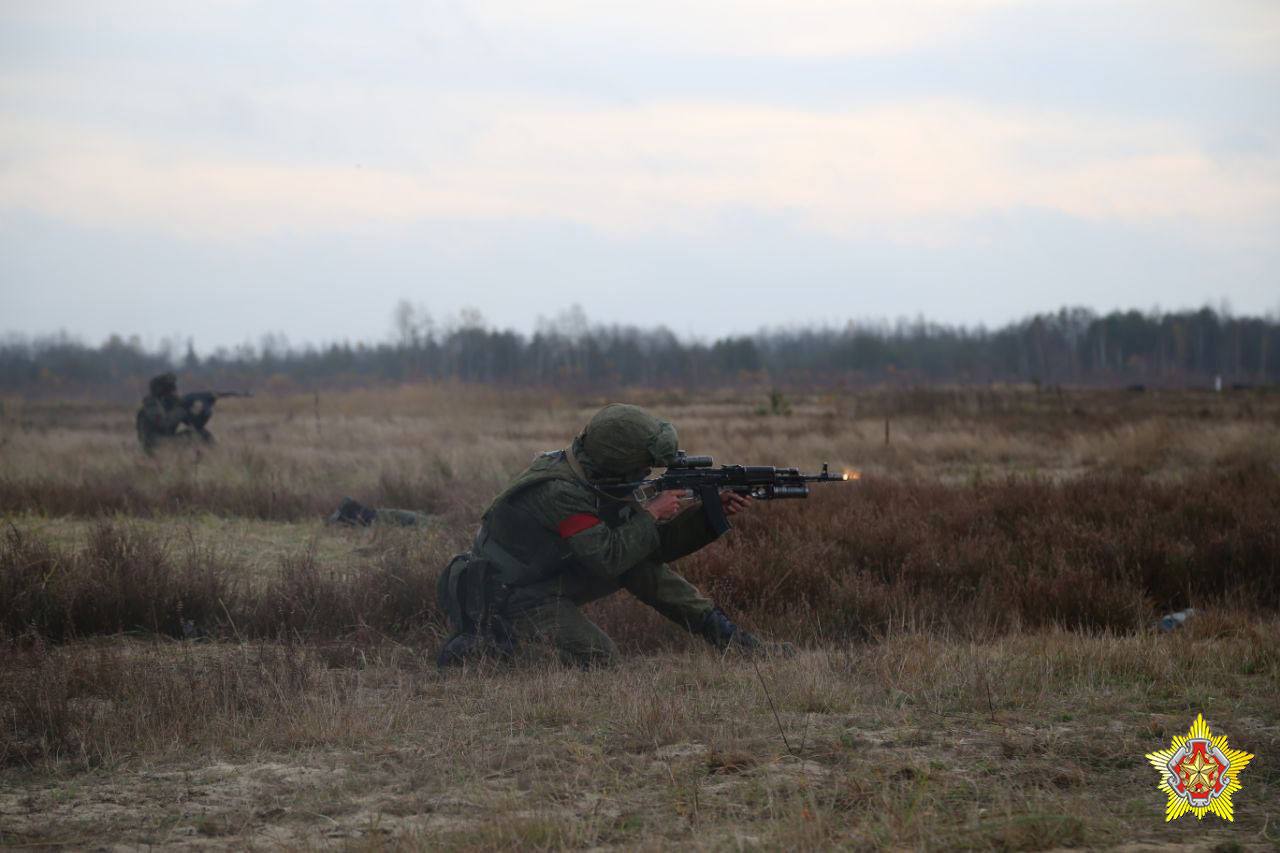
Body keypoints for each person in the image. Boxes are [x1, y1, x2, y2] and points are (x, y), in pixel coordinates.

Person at [436, 403, 788, 668]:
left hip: (551, 575)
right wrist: (651, 514)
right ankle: (487, 647)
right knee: (601, 659)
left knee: (641, 567)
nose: (646, 473)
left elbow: (647, 549)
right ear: (618, 460)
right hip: (514, 594)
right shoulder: (560, 491)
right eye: (642, 466)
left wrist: (710, 515)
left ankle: (736, 643)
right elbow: (609, 557)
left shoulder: (597, 478)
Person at [135, 372, 214, 454]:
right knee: (193, 437)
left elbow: (194, 424)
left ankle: (212, 456)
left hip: (167, 440)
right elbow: (164, 422)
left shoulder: (172, 403)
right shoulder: (151, 405)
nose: (176, 392)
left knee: (201, 433)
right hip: (154, 445)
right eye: (172, 390)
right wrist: (182, 409)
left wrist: (204, 412)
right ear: (164, 392)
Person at [327, 496, 435, 528]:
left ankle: (348, 510)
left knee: (371, 516)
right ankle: (348, 508)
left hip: (386, 515)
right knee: (372, 517)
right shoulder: (422, 519)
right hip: (387, 516)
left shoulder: (422, 519)